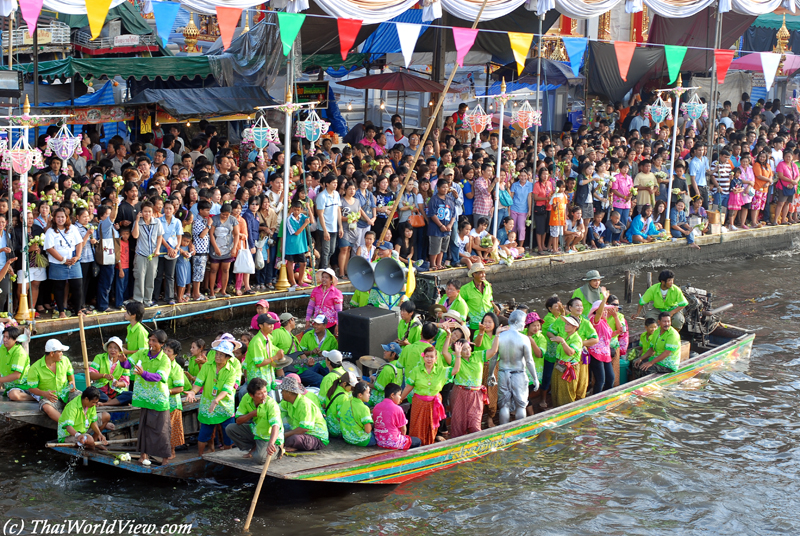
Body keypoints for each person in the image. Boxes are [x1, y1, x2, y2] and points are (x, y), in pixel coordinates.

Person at [120, 330, 172, 465]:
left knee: (161, 431)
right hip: (144, 398)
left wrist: (143, 374)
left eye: (154, 341)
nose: (150, 343)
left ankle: (165, 459)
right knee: (144, 428)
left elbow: (159, 377)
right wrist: (122, 361)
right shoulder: (142, 353)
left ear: (161, 344)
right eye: (150, 340)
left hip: (159, 399)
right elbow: (128, 365)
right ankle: (144, 456)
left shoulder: (165, 360)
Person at [185, 340, 238, 456]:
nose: (217, 356)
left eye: (221, 355)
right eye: (217, 353)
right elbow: (199, 381)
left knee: (228, 434)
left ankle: (228, 456)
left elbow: (226, 389)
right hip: (208, 404)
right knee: (204, 433)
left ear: (228, 357)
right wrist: (193, 392)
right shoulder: (207, 366)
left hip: (224, 405)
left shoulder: (232, 371)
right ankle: (200, 456)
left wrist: (216, 400)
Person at [401, 345, 460, 446]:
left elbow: (455, 370)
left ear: (436, 359)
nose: (429, 359)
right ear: (423, 357)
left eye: (432, 357)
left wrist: (458, 355)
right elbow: (408, 387)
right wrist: (400, 399)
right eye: (427, 356)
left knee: (431, 427)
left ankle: (428, 447)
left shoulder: (441, 370)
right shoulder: (416, 370)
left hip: (434, 403)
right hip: (419, 403)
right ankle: (415, 448)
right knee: (416, 427)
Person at [487, 310, 539, 424]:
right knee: (521, 406)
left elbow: (493, 358)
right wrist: (535, 378)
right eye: (524, 322)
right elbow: (529, 361)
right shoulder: (524, 338)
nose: (524, 324)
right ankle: (520, 431)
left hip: (503, 372)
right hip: (518, 373)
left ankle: (503, 432)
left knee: (504, 406)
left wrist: (491, 374)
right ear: (518, 322)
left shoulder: (499, 336)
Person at [445, 328, 498, 438]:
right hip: (460, 393)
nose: (468, 351)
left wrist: (497, 335)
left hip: (476, 394)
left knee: (475, 424)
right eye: (464, 349)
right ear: (458, 351)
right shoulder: (456, 359)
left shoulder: (478, 355)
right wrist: (448, 336)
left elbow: (493, 351)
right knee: (458, 424)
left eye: (468, 348)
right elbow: (445, 352)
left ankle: (477, 447)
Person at [226, 377, 284, 463]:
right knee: (230, 429)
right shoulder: (246, 398)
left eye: (265, 392)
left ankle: (279, 450)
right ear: (251, 395)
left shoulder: (271, 404)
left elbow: (275, 425)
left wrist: (271, 443)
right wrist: (252, 414)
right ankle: (255, 447)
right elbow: (238, 420)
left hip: (268, 437)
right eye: (260, 393)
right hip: (256, 431)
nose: (264, 395)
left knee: (259, 459)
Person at [27, 339, 80, 422]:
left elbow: (70, 373)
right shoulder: (35, 368)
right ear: (52, 353)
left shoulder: (65, 360)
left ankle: (81, 420)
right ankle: (66, 424)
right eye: (60, 352)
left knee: (81, 397)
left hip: (66, 392)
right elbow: (31, 388)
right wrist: (44, 393)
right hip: (50, 397)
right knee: (46, 406)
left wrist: (72, 381)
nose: (62, 354)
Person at [44, 208, 83, 317]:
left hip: (73, 262)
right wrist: (63, 260)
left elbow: (79, 243)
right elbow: (49, 248)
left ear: (66, 218)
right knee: (59, 287)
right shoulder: (50, 231)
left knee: (77, 285)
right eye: (58, 217)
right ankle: (61, 311)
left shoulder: (73, 228)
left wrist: (77, 256)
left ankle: (78, 310)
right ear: (54, 218)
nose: (60, 219)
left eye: (62, 217)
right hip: (58, 263)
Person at [280, 375, 329, 451]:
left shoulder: (304, 404)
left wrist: (284, 435)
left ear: (288, 392)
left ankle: (295, 446)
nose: (281, 392)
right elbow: (276, 410)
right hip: (301, 433)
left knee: (292, 439)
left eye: (282, 390)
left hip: (315, 437)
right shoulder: (287, 402)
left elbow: (304, 428)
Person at [131, 201, 164, 306]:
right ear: (141, 212)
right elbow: (135, 236)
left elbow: (160, 237)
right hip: (141, 253)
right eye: (145, 211)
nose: (147, 214)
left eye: (149, 211)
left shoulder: (157, 222)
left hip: (153, 254)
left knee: (151, 277)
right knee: (139, 277)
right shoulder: (138, 222)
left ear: (152, 212)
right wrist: (137, 220)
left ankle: (147, 300)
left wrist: (157, 249)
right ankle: (138, 300)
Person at [372, 383, 421, 449]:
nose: (400, 398)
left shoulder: (376, 407)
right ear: (392, 395)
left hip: (379, 441)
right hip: (393, 443)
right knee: (418, 441)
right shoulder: (397, 409)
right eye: (399, 395)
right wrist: (403, 437)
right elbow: (403, 429)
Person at [631, 312, 682, 376]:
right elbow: (652, 349)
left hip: (668, 364)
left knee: (645, 369)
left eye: (668, 321)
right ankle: (637, 384)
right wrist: (641, 358)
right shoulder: (656, 332)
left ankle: (648, 385)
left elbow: (667, 353)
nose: (667, 324)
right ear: (659, 322)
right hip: (657, 360)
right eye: (664, 321)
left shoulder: (672, 334)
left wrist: (651, 363)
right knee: (635, 363)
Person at [548, 315, 582, 407]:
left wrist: (562, 342)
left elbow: (570, 352)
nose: (565, 326)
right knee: (556, 390)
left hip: (569, 368)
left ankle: (568, 411)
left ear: (575, 327)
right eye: (565, 324)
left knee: (567, 391)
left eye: (568, 324)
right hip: (560, 365)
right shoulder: (566, 336)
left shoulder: (577, 339)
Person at [244, 313, 283, 392]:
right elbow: (259, 363)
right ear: (261, 326)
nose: (272, 326)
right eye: (269, 324)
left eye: (272, 323)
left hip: (267, 379)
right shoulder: (256, 342)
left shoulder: (269, 338)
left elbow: (274, 351)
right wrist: (276, 357)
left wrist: (280, 352)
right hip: (258, 384)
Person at [298, 314, 338, 387]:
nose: (315, 326)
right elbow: (300, 352)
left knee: (334, 379)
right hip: (310, 364)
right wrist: (311, 352)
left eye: (318, 324)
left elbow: (334, 357)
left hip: (325, 365)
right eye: (314, 324)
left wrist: (323, 355)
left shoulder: (332, 339)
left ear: (325, 326)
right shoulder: (307, 335)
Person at [90, 336, 133, 406]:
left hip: (117, 392)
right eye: (110, 347)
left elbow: (125, 382)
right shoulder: (99, 357)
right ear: (107, 349)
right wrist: (104, 375)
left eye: (115, 348)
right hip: (101, 391)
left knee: (131, 395)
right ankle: (113, 402)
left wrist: (117, 383)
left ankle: (106, 404)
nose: (112, 350)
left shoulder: (124, 361)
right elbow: (91, 374)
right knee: (92, 391)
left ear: (120, 350)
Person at [163, 339, 185, 459]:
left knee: (171, 429)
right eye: (165, 349)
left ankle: (172, 452)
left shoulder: (176, 368)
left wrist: (168, 391)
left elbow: (180, 388)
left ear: (175, 354)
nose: (166, 352)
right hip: (161, 402)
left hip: (172, 403)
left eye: (169, 351)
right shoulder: (161, 363)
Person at [460, 262, 498, 330]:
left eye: (484, 273)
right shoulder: (465, 289)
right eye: (481, 273)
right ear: (474, 274)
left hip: (489, 319)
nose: (483, 275)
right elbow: (460, 304)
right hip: (475, 322)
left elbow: (490, 298)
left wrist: (495, 306)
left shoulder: (487, 285)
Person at [305, 268, 343, 335]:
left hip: (330, 324)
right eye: (323, 277)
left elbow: (339, 311)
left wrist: (338, 325)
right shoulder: (316, 290)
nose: (324, 279)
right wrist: (307, 320)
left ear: (331, 280)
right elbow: (310, 306)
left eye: (326, 277)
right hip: (317, 323)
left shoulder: (336, 293)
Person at [0, 326, 31, 400]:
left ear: (15, 339)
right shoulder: (3, 348)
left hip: (23, 385)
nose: (4, 339)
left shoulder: (20, 353)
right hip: (9, 385)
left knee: (13, 395)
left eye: (8, 338)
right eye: (4, 337)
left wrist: (0, 380)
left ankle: (35, 397)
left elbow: (17, 375)